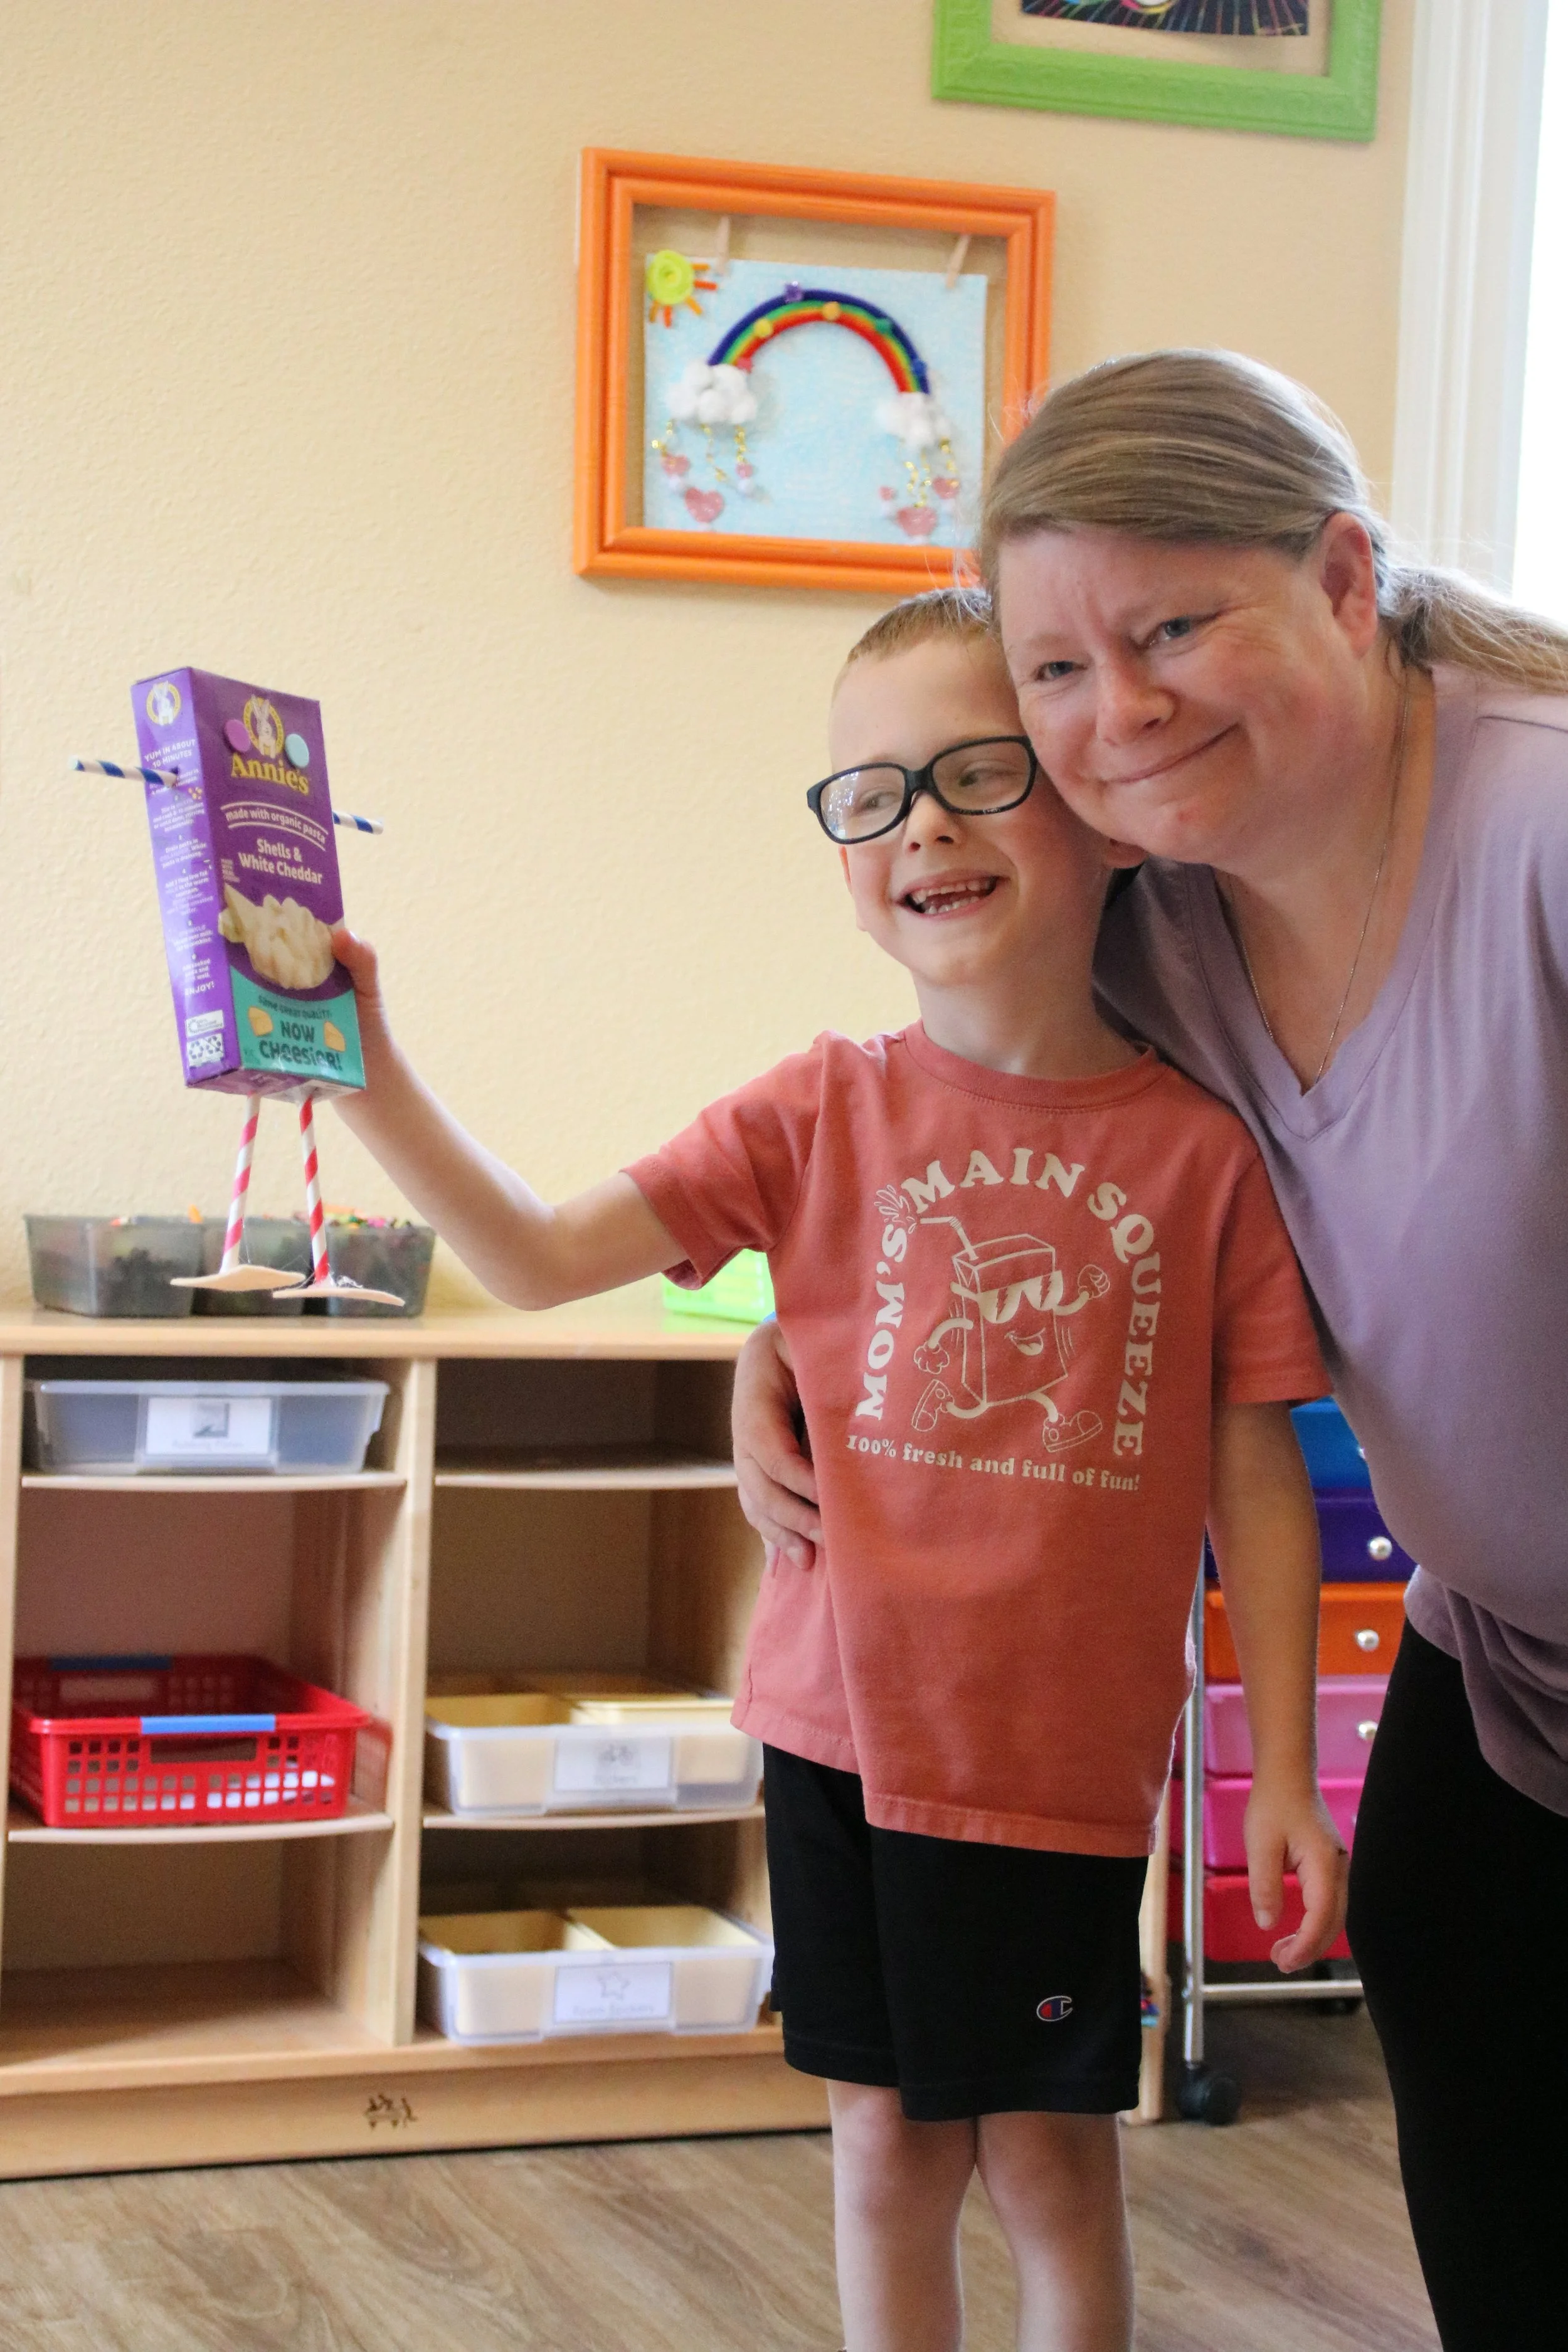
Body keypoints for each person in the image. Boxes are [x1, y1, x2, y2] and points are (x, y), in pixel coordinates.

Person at [327, 588, 1344, 2352]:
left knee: (1044, 2156)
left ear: (1096, 817)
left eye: (973, 772)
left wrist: (1279, 1768)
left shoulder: (1202, 1154)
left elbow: (1255, 1471)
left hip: (1053, 1762)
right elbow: (535, 1250)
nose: (921, 824)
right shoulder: (815, 1108)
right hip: (838, 1735)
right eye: (867, 795)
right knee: (879, 2139)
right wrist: (365, 1062)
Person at [730, 349, 1568, 2352]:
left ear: (1346, 576)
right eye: (1053, 670)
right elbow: (940, 1136)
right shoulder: (1145, 921)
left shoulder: (1537, 836)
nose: (1117, 713)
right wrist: (783, 1340)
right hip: (1512, 1693)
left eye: (1173, 626)